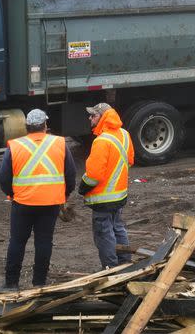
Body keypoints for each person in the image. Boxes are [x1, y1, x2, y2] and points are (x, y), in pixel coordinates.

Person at [0, 109, 75, 289]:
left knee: (17, 241)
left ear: (27, 127)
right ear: (45, 126)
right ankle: (39, 283)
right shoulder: (60, 143)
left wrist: (12, 195)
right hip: (51, 204)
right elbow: (70, 175)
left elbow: (3, 178)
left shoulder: (16, 146)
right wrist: (64, 195)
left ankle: (11, 283)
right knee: (44, 241)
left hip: (23, 203)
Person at [79, 103, 135, 269]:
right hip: (119, 196)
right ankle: (125, 263)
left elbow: (93, 176)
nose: (90, 118)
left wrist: (83, 186)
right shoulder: (124, 134)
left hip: (103, 199)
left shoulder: (101, 141)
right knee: (118, 228)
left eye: (93, 115)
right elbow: (129, 162)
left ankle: (110, 268)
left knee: (104, 234)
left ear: (102, 117)